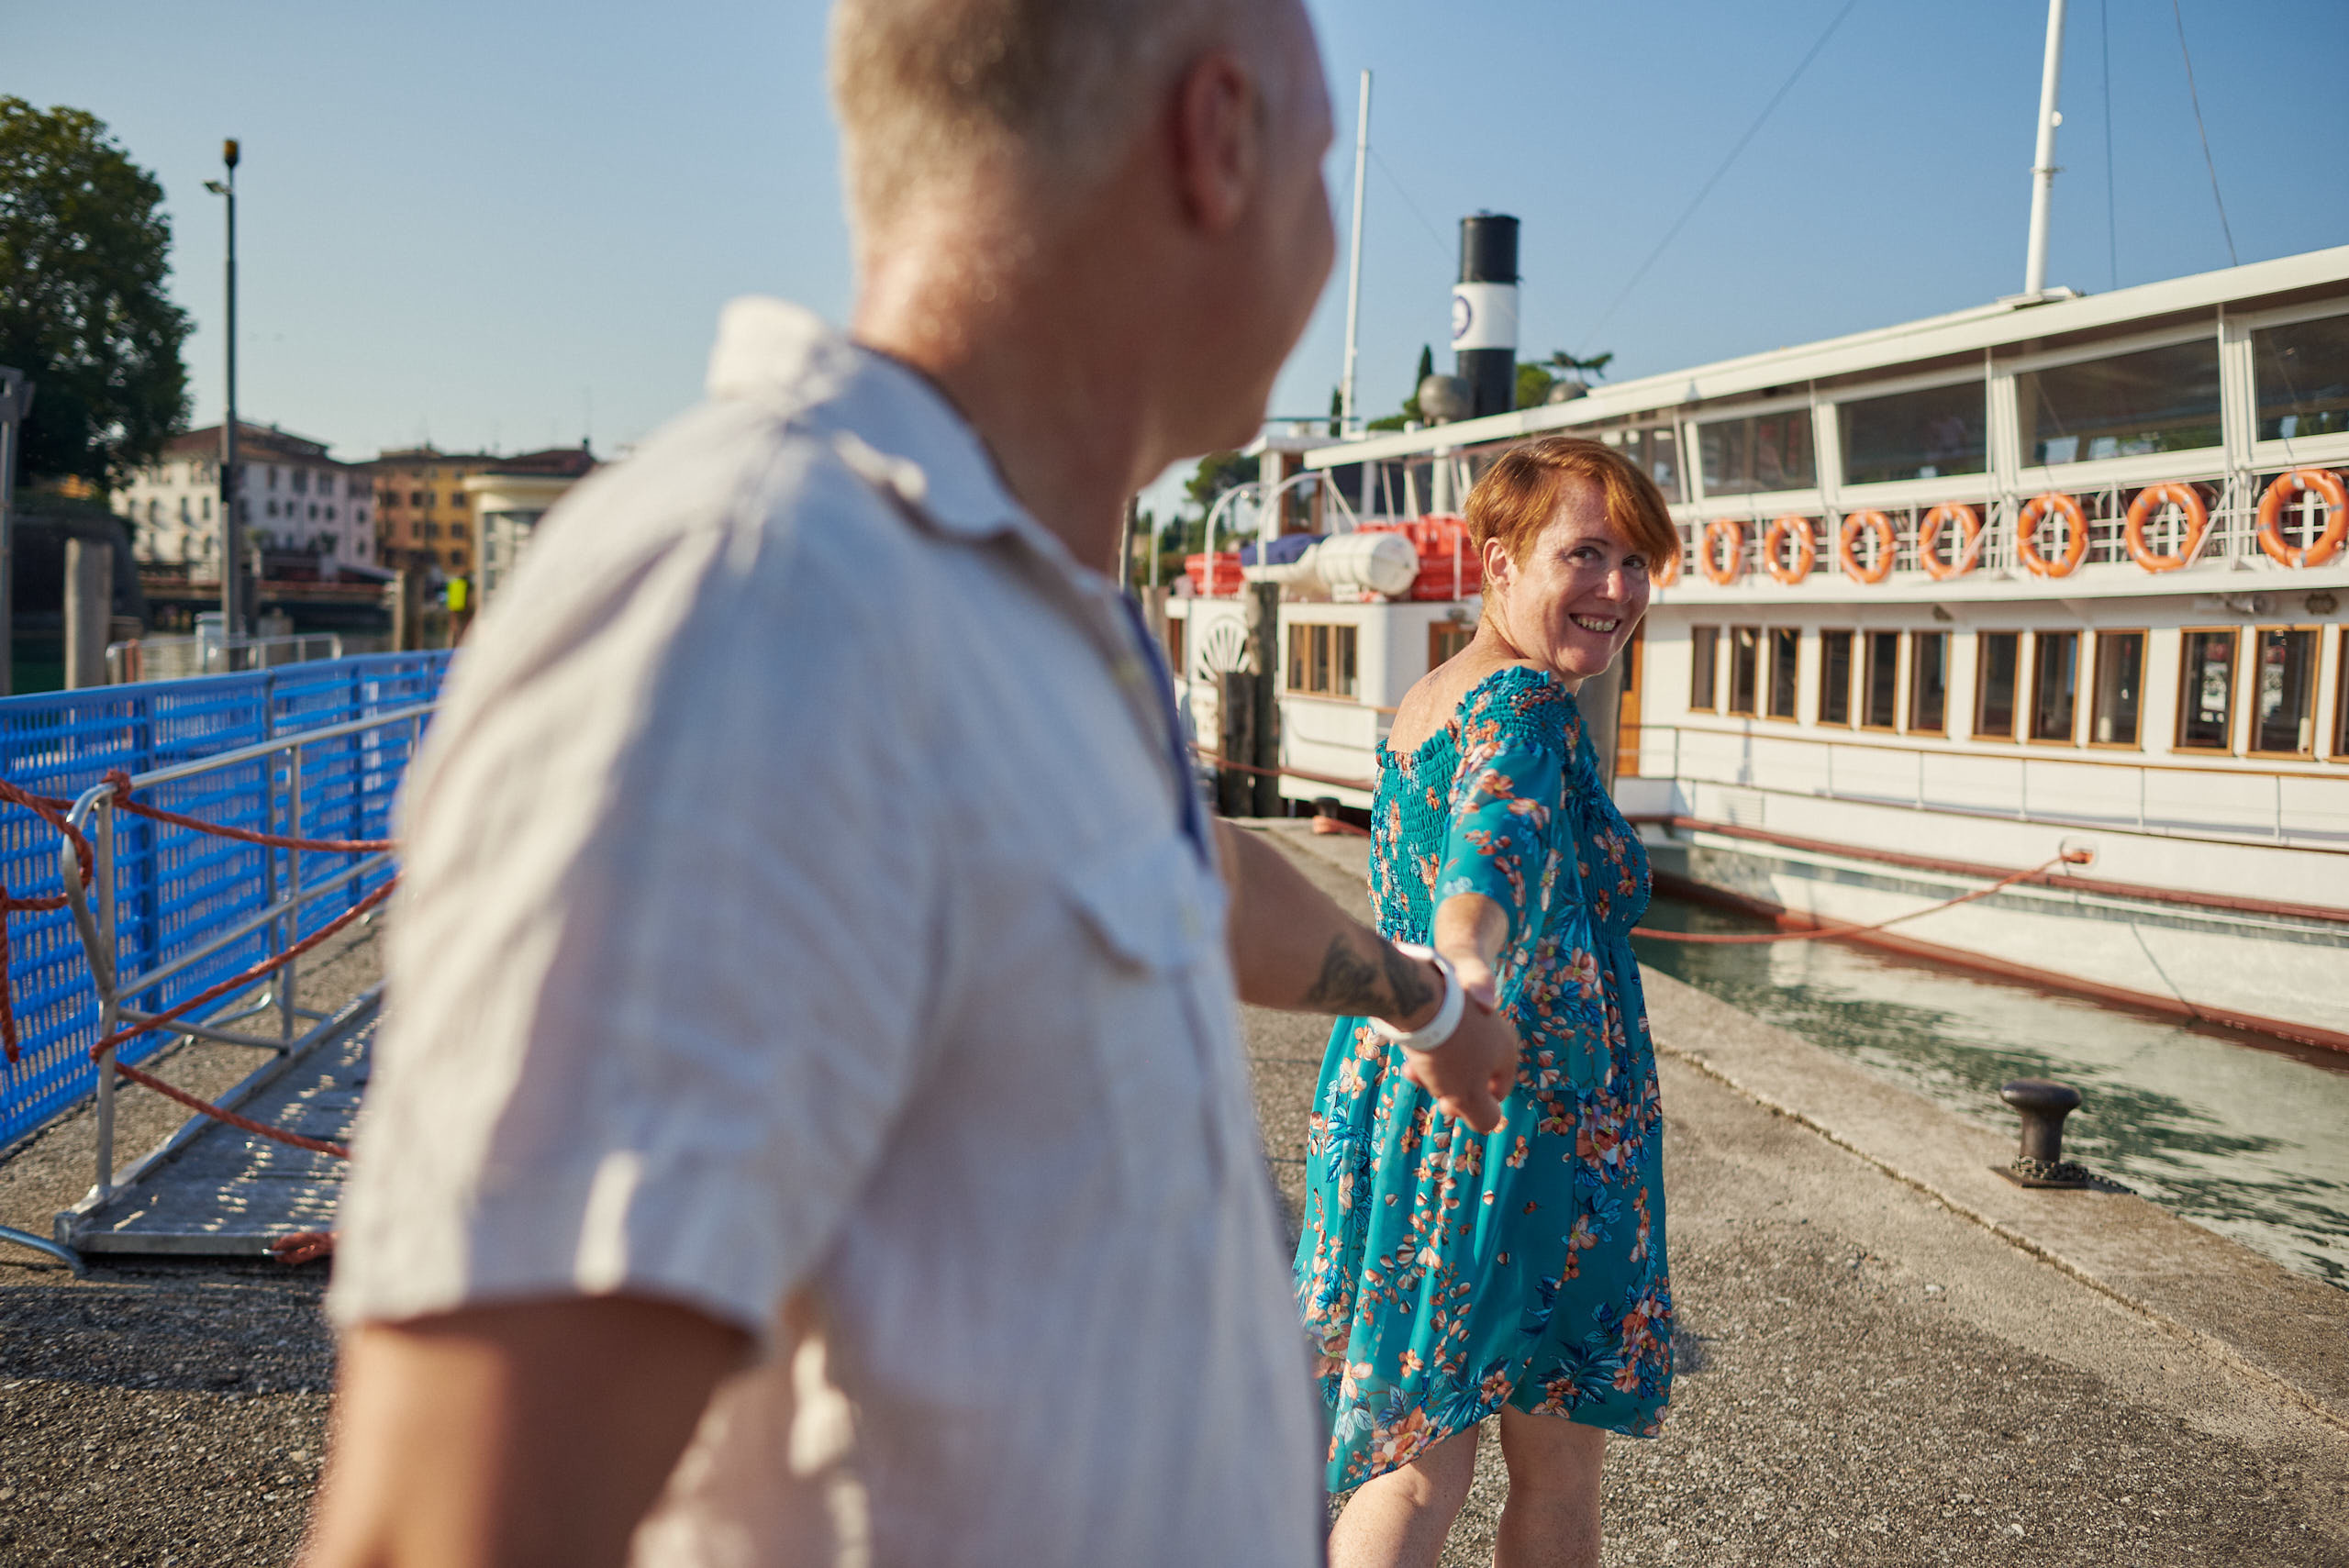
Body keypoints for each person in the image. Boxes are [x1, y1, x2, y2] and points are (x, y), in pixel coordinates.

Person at [302, 3, 1519, 1566]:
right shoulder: (761, 603)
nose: (1332, 236)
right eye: (1323, 164)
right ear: (1219, 139)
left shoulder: (1014, 608)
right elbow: (443, 1525)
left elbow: (1186, 880)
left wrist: (1425, 1001)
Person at [1294, 437, 1681, 1568]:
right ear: (1500, 561)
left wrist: (1445, 989)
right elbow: (1491, 847)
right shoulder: (1524, 703)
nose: (1617, 587)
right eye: (1586, 553)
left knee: (1414, 1456)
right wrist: (1467, 963)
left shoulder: (1431, 696)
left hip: (1408, 1087)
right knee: (1522, 1471)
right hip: (1521, 1113)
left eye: (1637, 561)